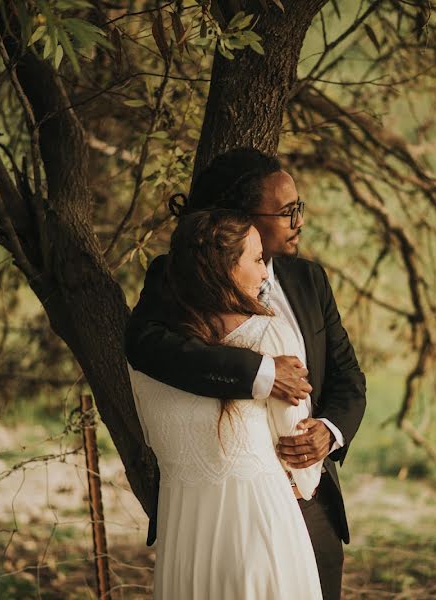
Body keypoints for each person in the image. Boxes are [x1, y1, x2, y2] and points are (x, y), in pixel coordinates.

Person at [126, 147, 367, 600]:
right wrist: (258, 374)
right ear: (241, 220)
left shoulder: (309, 280)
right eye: (285, 211)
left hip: (312, 506)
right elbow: (147, 347)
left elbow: (348, 376)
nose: (299, 221)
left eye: (299, 208)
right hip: (215, 509)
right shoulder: (175, 277)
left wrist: (329, 432)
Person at [128, 210, 323, 598]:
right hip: (259, 528)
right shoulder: (270, 335)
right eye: (255, 260)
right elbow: (302, 467)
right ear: (224, 269)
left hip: (184, 536)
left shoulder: (145, 354)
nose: (266, 273)